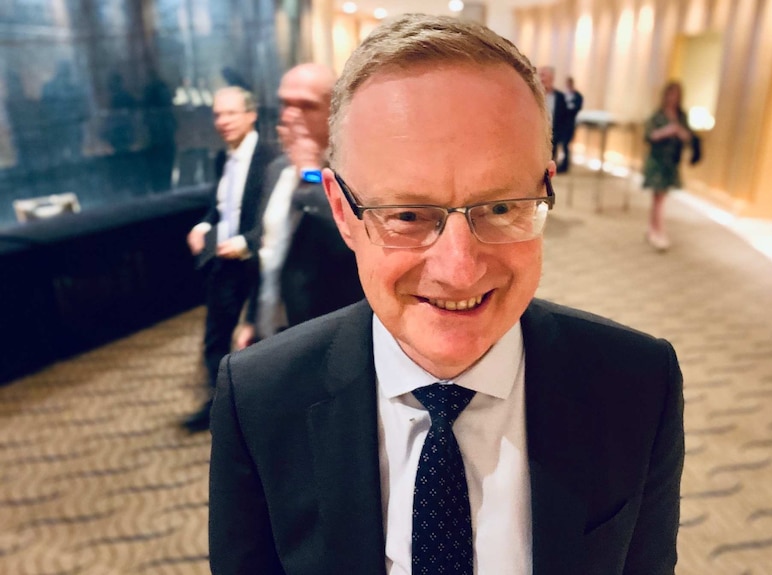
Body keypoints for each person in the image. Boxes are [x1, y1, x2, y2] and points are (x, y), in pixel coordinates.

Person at [209, 14, 684, 575]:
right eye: (407, 214)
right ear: (342, 212)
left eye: (502, 207)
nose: (459, 270)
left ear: (546, 190)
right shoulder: (261, 399)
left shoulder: (637, 384)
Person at [235, 63, 364, 346]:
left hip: (327, 332)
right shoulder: (276, 169)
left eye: (306, 106)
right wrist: (252, 319)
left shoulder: (359, 170)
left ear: (335, 110)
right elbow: (267, 250)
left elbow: (354, 242)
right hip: (273, 328)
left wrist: (309, 173)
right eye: (285, 103)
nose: (291, 115)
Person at [183, 86, 279, 433]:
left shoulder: (271, 160)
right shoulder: (221, 159)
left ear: (251, 115)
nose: (222, 122)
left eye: (230, 114)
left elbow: (274, 219)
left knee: (261, 340)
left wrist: (243, 243)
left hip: (257, 262)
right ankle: (218, 406)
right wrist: (204, 224)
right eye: (218, 115)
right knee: (215, 337)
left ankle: (261, 413)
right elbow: (219, 207)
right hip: (223, 261)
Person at [643, 81, 692, 251]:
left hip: (671, 161)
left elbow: (688, 136)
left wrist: (679, 132)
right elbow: (649, 135)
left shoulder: (681, 116)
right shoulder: (657, 116)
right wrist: (666, 131)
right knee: (658, 197)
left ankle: (653, 229)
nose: (673, 98)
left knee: (660, 197)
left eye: (676, 95)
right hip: (657, 160)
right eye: (670, 94)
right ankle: (658, 231)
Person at [539, 66, 569, 173]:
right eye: (540, 75)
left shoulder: (560, 97)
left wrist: (561, 134)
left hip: (553, 133)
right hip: (537, 132)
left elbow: (564, 117)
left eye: (544, 75)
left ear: (551, 78)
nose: (541, 78)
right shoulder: (533, 94)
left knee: (550, 161)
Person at [562, 76, 584, 171]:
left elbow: (577, 108)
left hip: (570, 123)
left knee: (566, 144)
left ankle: (565, 165)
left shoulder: (577, 96)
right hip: (562, 123)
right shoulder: (563, 95)